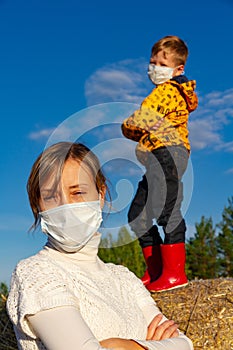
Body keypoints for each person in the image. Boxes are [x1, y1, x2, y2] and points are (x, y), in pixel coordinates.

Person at [7, 141, 193, 350]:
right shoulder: (35, 274)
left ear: (101, 195)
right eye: (50, 196)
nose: (66, 205)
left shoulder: (124, 278)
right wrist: (149, 345)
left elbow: (185, 344)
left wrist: (122, 346)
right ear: (37, 206)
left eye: (77, 192)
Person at [121, 35, 198, 292]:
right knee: (137, 214)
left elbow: (137, 121)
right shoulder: (165, 91)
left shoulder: (166, 91)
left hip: (168, 153)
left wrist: (128, 126)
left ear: (178, 69)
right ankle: (155, 271)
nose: (154, 67)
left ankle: (175, 274)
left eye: (161, 63)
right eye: (152, 62)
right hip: (157, 156)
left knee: (167, 209)